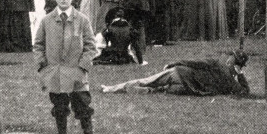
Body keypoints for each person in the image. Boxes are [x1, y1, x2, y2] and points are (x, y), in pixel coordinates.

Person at [33, 0, 104, 134]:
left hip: (77, 74)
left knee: (84, 109)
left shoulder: (82, 20)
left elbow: (90, 47)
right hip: (55, 74)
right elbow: (38, 45)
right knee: (59, 109)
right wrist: (42, 65)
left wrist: (83, 67)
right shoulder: (47, 21)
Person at [101, 49, 250, 96]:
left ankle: (111, 88)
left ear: (232, 59)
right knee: (159, 89)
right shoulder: (231, 82)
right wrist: (241, 75)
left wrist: (176, 62)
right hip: (190, 88)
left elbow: (196, 62)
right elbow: (245, 91)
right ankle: (144, 90)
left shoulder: (217, 63)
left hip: (181, 73)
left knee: (147, 80)